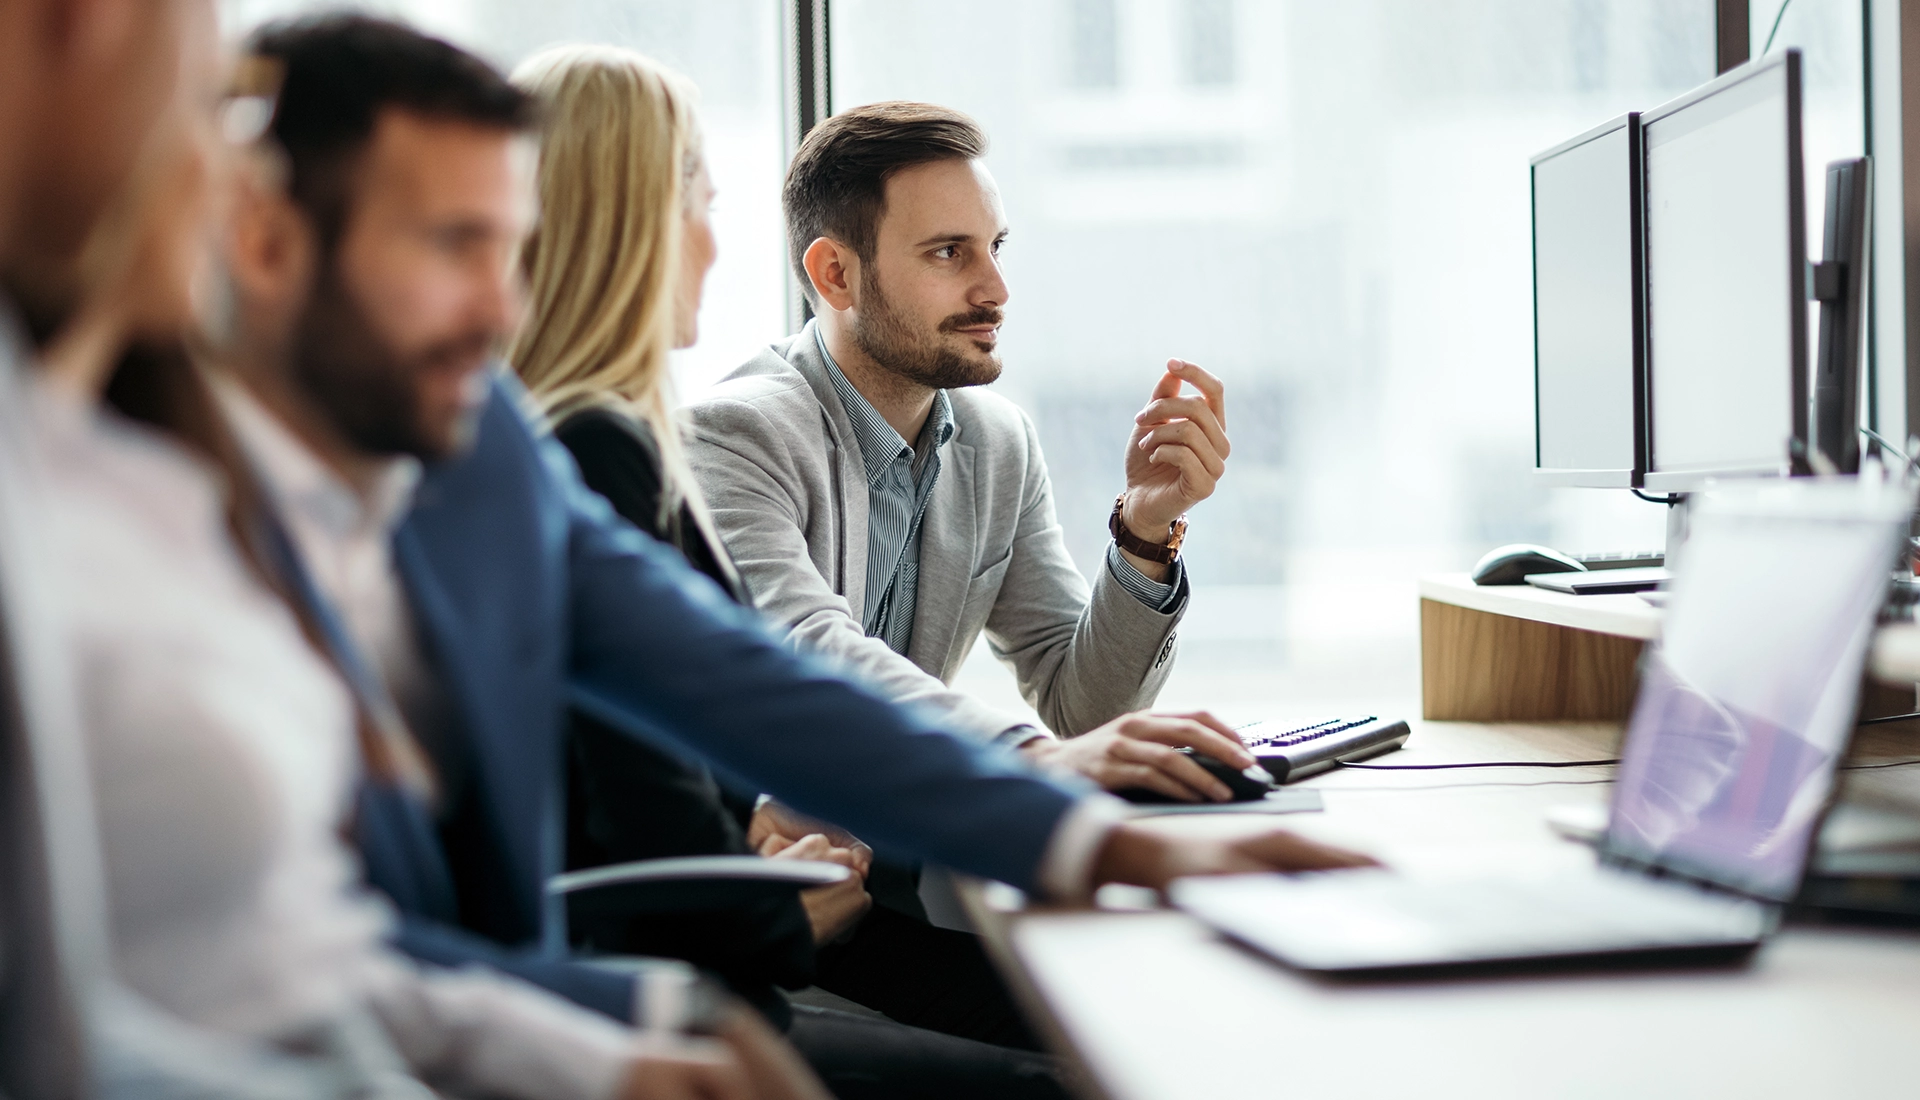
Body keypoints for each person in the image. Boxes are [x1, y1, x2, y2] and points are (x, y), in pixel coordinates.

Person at [212, 8, 1372, 1070]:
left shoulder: (504, 454)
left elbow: (750, 687)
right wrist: (670, 996)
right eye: (454, 244)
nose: (499, 297)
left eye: (506, 241)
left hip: (611, 973)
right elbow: (801, 657)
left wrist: (1102, 832)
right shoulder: (656, 440)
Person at [22, 10, 827, 1100]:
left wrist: (612, 1056)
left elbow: (301, 962)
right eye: (211, 102)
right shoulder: (566, 447)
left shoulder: (169, 479)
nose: (234, 177)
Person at [508, 43, 1070, 1087]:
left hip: (762, 915)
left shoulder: (567, 441)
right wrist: (760, 883)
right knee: (1088, 1064)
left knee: (1084, 1011)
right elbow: (792, 664)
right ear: (622, 225)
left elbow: (685, 733)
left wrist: (752, 831)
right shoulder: (609, 451)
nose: (716, 248)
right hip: (693, 980)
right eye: (698, 204)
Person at [685, 102, 1250, 806]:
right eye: (949, 253)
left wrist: (1143, 529)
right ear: (835, 275)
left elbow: (1087, 713)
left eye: (996, 247)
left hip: (905, 862)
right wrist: (1031, 758)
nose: (997, 290)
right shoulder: (734, 437)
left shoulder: (997, 443)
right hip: (766, 883)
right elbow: (810, 652)